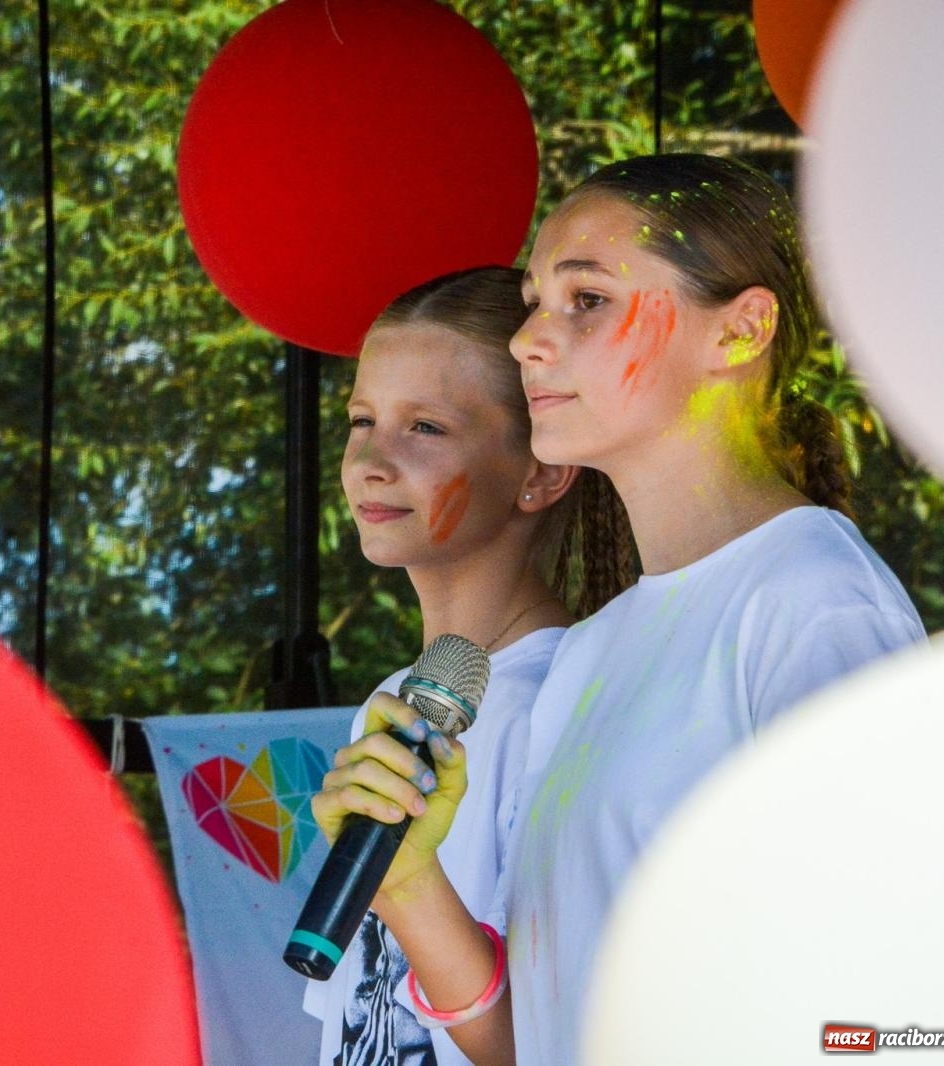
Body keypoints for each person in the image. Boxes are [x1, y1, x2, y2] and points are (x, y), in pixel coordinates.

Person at [315, 153, 927, 1066]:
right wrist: (407, 884)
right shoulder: (594, 651)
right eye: (532, 303)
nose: (529, 340)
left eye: (586, 300)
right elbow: (533, 1041)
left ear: (739, 331)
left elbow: (902, 1021)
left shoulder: (813, 602)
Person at [303, 267, 633, 1066]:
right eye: (360, 420)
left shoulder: (569, 700)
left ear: (541, 472)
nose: (370, 461)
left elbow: (557, 1044)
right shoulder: (392, 704)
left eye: (426, 429)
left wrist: (414, 893)